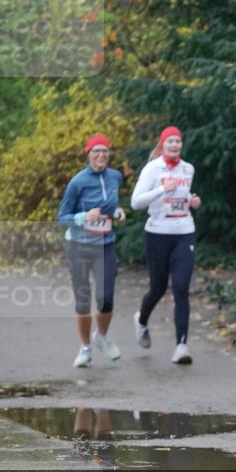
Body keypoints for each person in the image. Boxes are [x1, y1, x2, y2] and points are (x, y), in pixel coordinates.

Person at [130, 126, 201, 364]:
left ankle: (181, 346)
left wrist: (192, 201)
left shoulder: (188, 169)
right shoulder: (152, 169)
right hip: (157, 233)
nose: (174, 145)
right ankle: (141, 320)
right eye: (170, 141)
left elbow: (184, 197)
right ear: (162, 145)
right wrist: (162, 189)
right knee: (158, 288)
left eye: (178, 141)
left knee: (181, 287)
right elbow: (135, 203)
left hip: (184, 231)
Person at [57, 134, 126, 368]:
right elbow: (61, 217)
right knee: (84, 299)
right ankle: (85, 348)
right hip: (78, 245)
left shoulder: (115, 176)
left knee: (106, 296)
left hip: (105, 244)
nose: (101, 155)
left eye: (105, 151)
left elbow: (112, 203)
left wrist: (117, 212)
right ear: (88, 154)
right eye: (96, 151)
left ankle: (102, 336)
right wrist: (82, 216)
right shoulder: (77, 182)